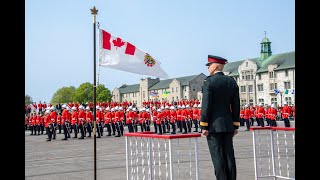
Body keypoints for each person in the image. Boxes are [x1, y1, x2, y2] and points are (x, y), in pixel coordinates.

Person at [200, 55, 240, 180]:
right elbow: (236, 105)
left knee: (217, 157)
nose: (208, 68)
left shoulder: (209, 82)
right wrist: (235, 125)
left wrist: (204, 125)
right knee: (229, 156)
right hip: (228, 125)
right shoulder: (231, 81)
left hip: (213, 125)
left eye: (209, 66)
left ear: (215, 66)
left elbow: (206, 105)